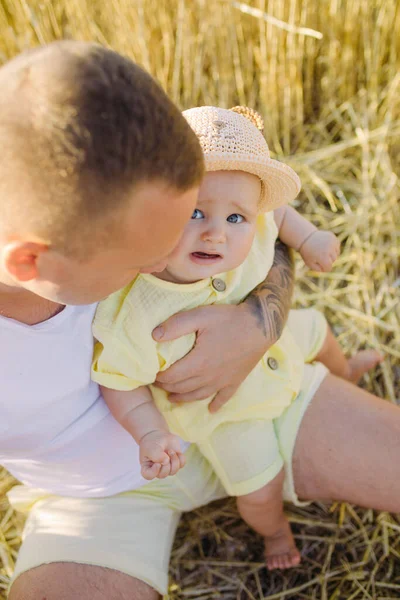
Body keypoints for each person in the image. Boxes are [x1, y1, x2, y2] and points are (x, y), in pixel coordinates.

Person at [0, 41, 398, 600]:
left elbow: (256, 224)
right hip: (91, 501)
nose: (166, 265)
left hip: (252, 394)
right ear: (31, 261)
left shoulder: (123, 161)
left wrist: (259, 324)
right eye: (141, 260)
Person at [91, 105, 381, 570]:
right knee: (258, 486)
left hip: (278, 342)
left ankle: (344, 375)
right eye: (196, 212)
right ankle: (275, 533)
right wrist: (149, 432)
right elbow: (117, 379)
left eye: (234, 219)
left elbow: (278, 214)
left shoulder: (254, 222)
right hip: (227, 415)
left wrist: (309, 240)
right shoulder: (135, 312)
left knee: (320, 331)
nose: (215, 233)